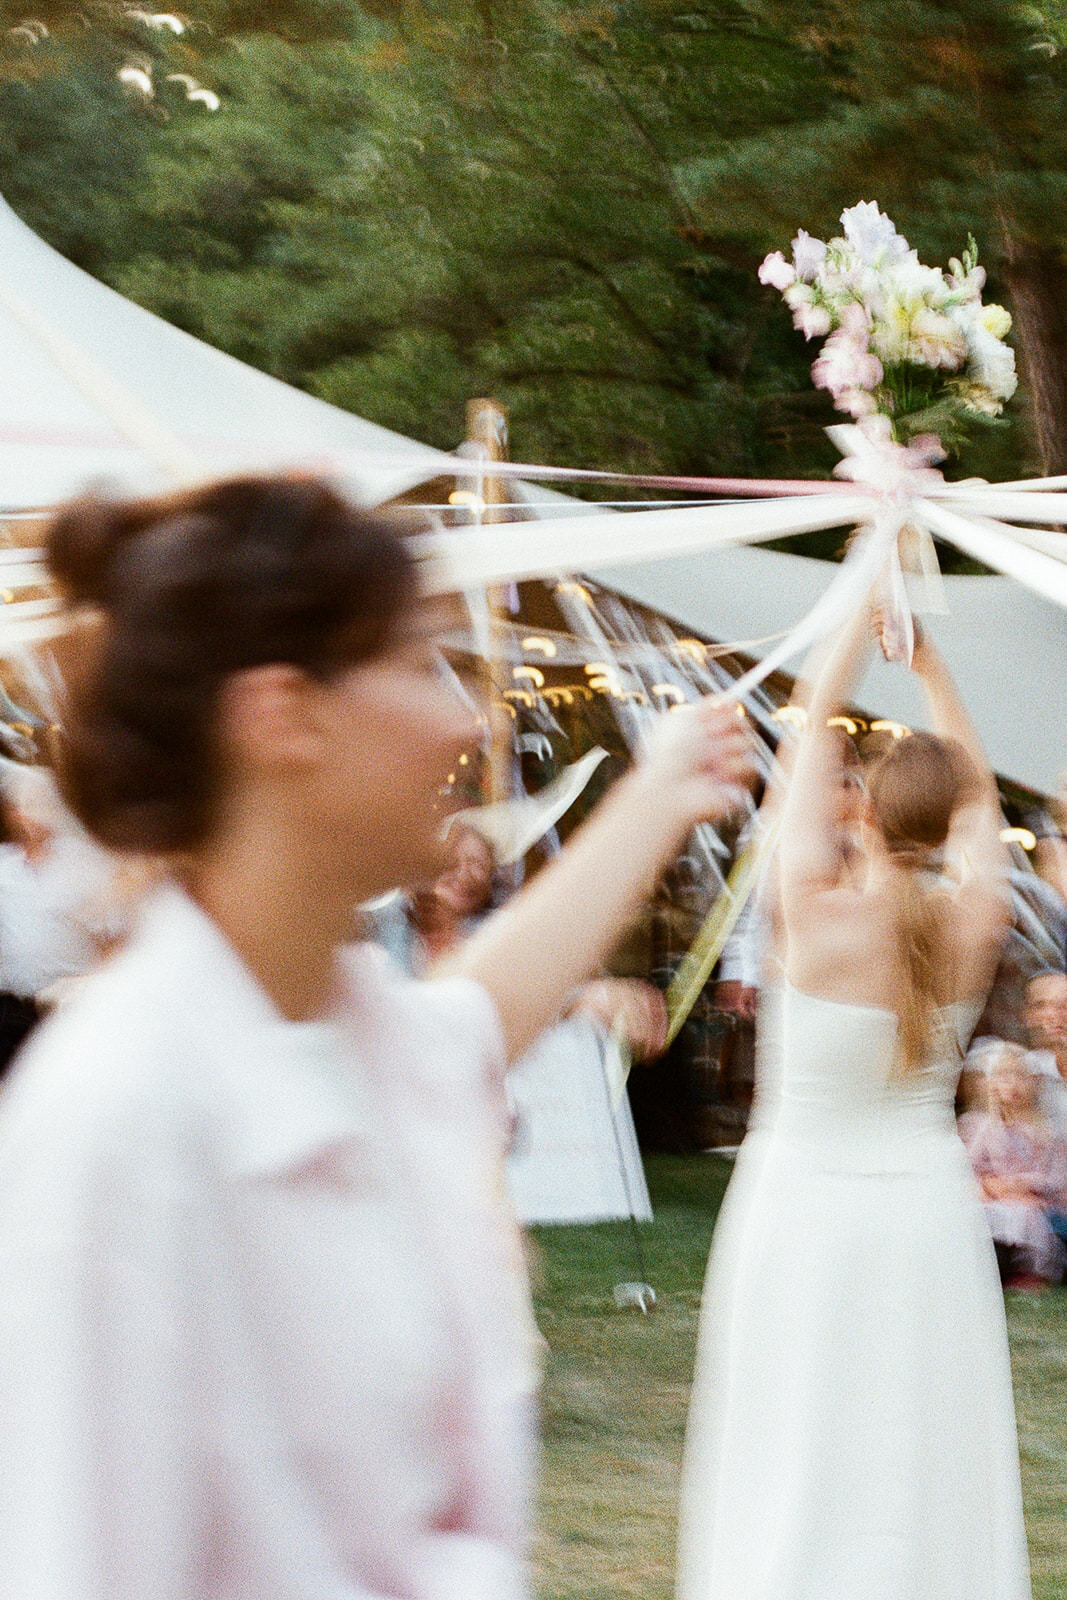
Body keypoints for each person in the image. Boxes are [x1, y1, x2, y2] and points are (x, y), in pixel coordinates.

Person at [0, 474, 753, 1600]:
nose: (463, 717)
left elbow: (472, 1018)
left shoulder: (339, 1019)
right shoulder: (118, 1117)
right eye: (415, 662)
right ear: (281, 717)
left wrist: (656, 799)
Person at [675, 608, 1030, 1600]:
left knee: (791, 1444)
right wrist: (930, 667)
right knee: (913, 1449)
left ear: (859, 811)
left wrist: (848, 622)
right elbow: (977, 797)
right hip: (922, 1215)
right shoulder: (977, 917)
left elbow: (802, 734)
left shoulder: (808, 904)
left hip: (797, 1211)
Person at [959, 1042, 1066, 1289]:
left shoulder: (1047, 1131)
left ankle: (1031, 1271)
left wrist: (1023, 1184)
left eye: (1021, 1076)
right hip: (996, 1198)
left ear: (1034, 1083)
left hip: (1035, 1202)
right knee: (978, 1214)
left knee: (1027, 1216)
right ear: (991, 1084)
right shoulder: (984, 1126)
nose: (1013, 1084)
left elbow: (1056, 1178)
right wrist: (990, 1186)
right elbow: (970, 1168)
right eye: (1004, 1076)